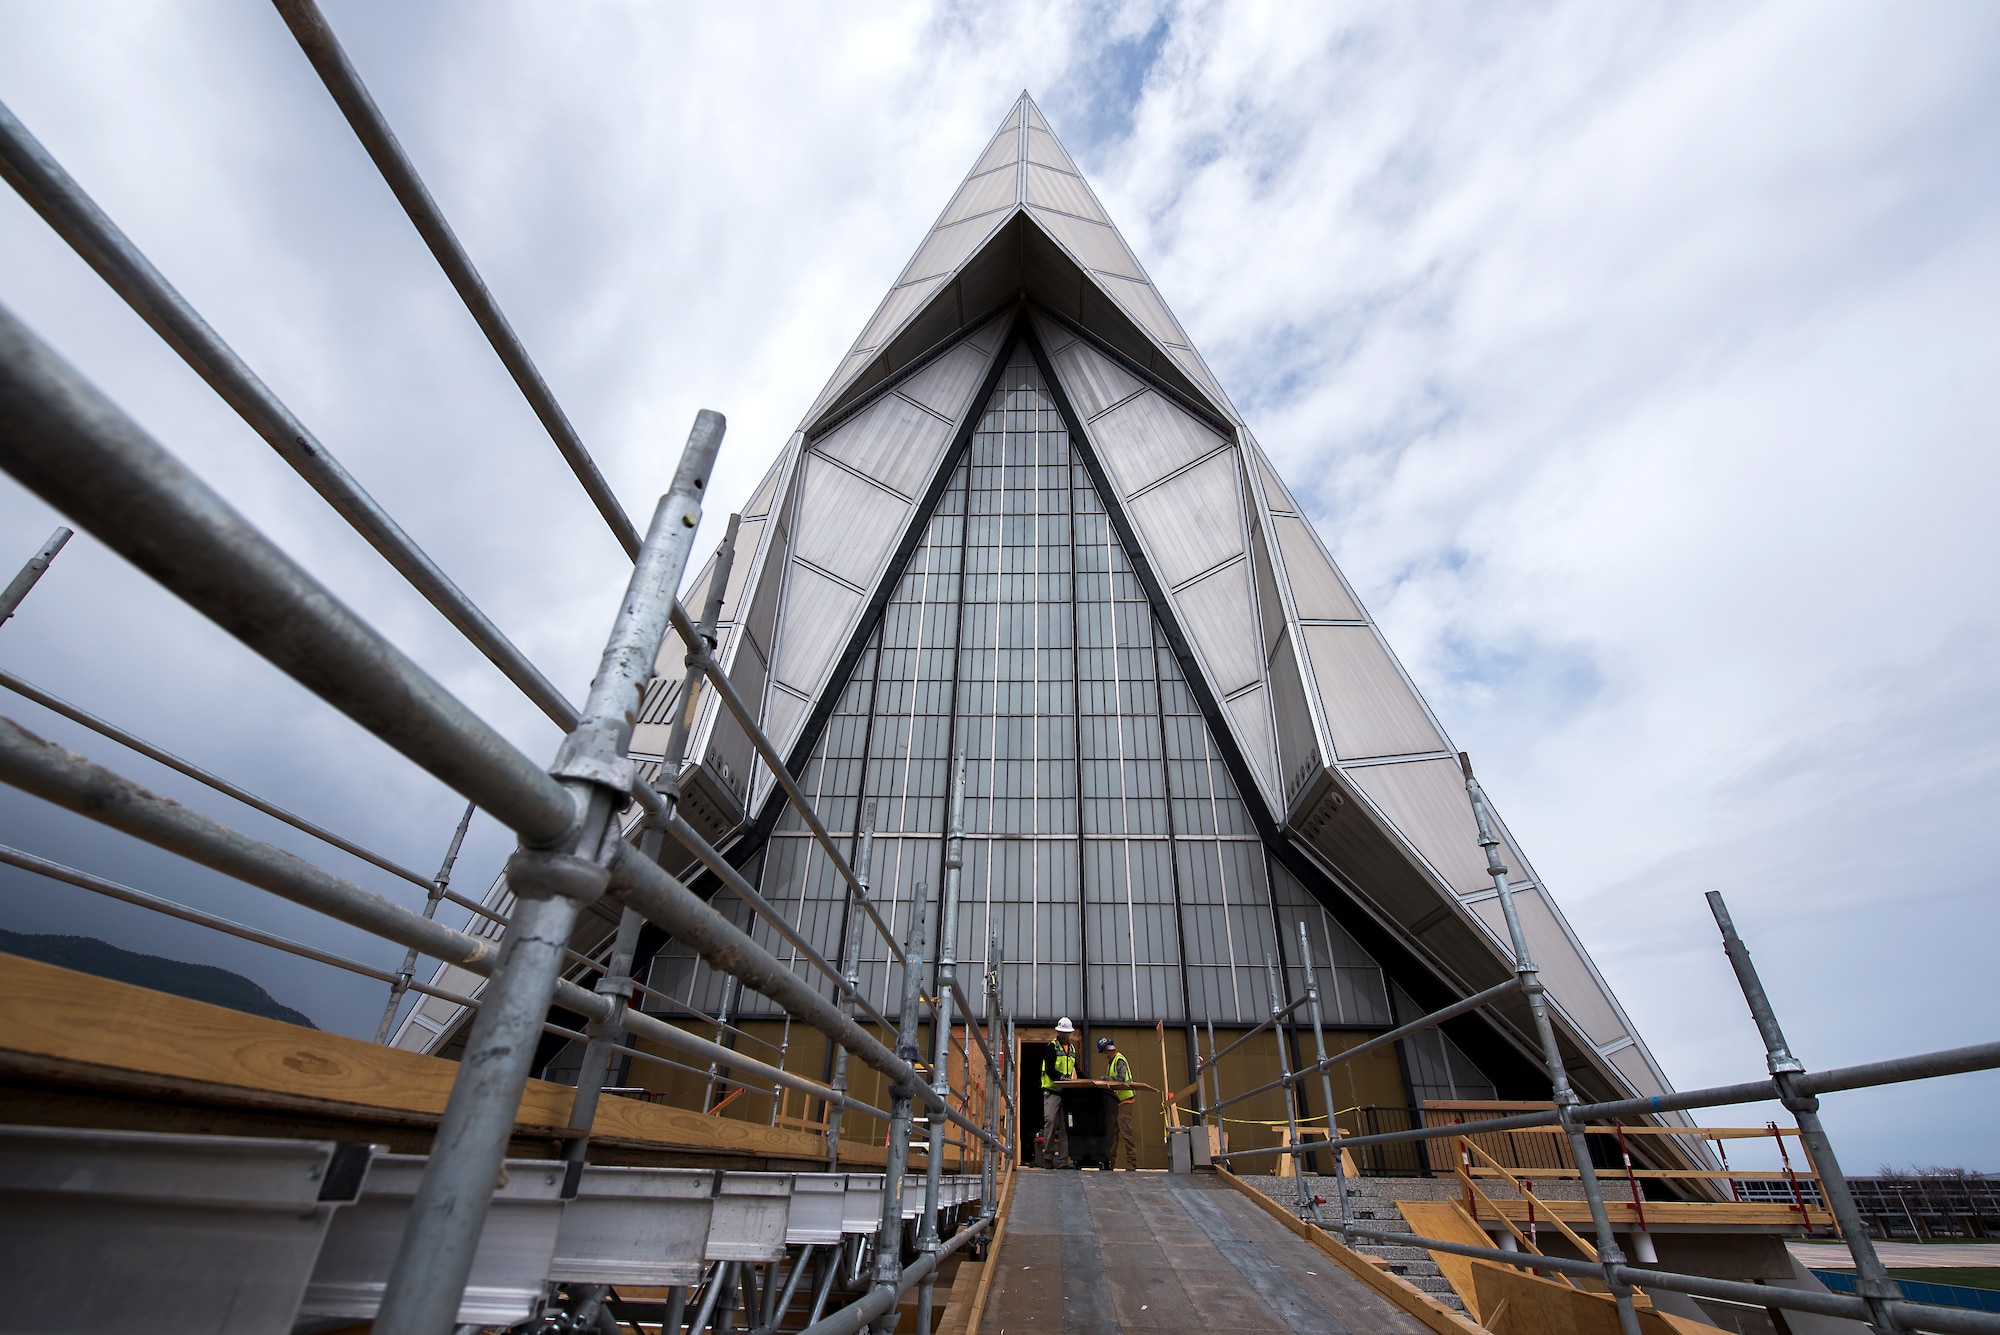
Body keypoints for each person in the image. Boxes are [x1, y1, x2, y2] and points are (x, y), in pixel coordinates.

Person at [1038, 1018, 1079, 1168]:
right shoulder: (1052, 1047)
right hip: (1052, 1091)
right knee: (1050, 1123)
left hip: (1066, 1093)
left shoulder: (1073, 1050)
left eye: (1067, 1033)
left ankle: (1062, 1160)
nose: (1065, 1035)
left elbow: (1075, 1070)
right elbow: (1049, 1069)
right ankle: (1048, 1157)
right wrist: (1060, 1078)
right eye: (1062, 1033)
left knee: (1066, 1126)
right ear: (1057, 1032)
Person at [1097, 1036, 1138, 1170]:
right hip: (1117, 1101)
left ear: (1106, 1050)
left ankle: (1131, 1164)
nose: (1104, 1055)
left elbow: (1121, 1078)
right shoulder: (1112, 1061)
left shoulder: (1119, 1060)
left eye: (1103, 1052)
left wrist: (1105, 1079)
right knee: (1113, 1134)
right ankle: (1110, 1163)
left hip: (1125, 1100)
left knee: (1126, 1132)